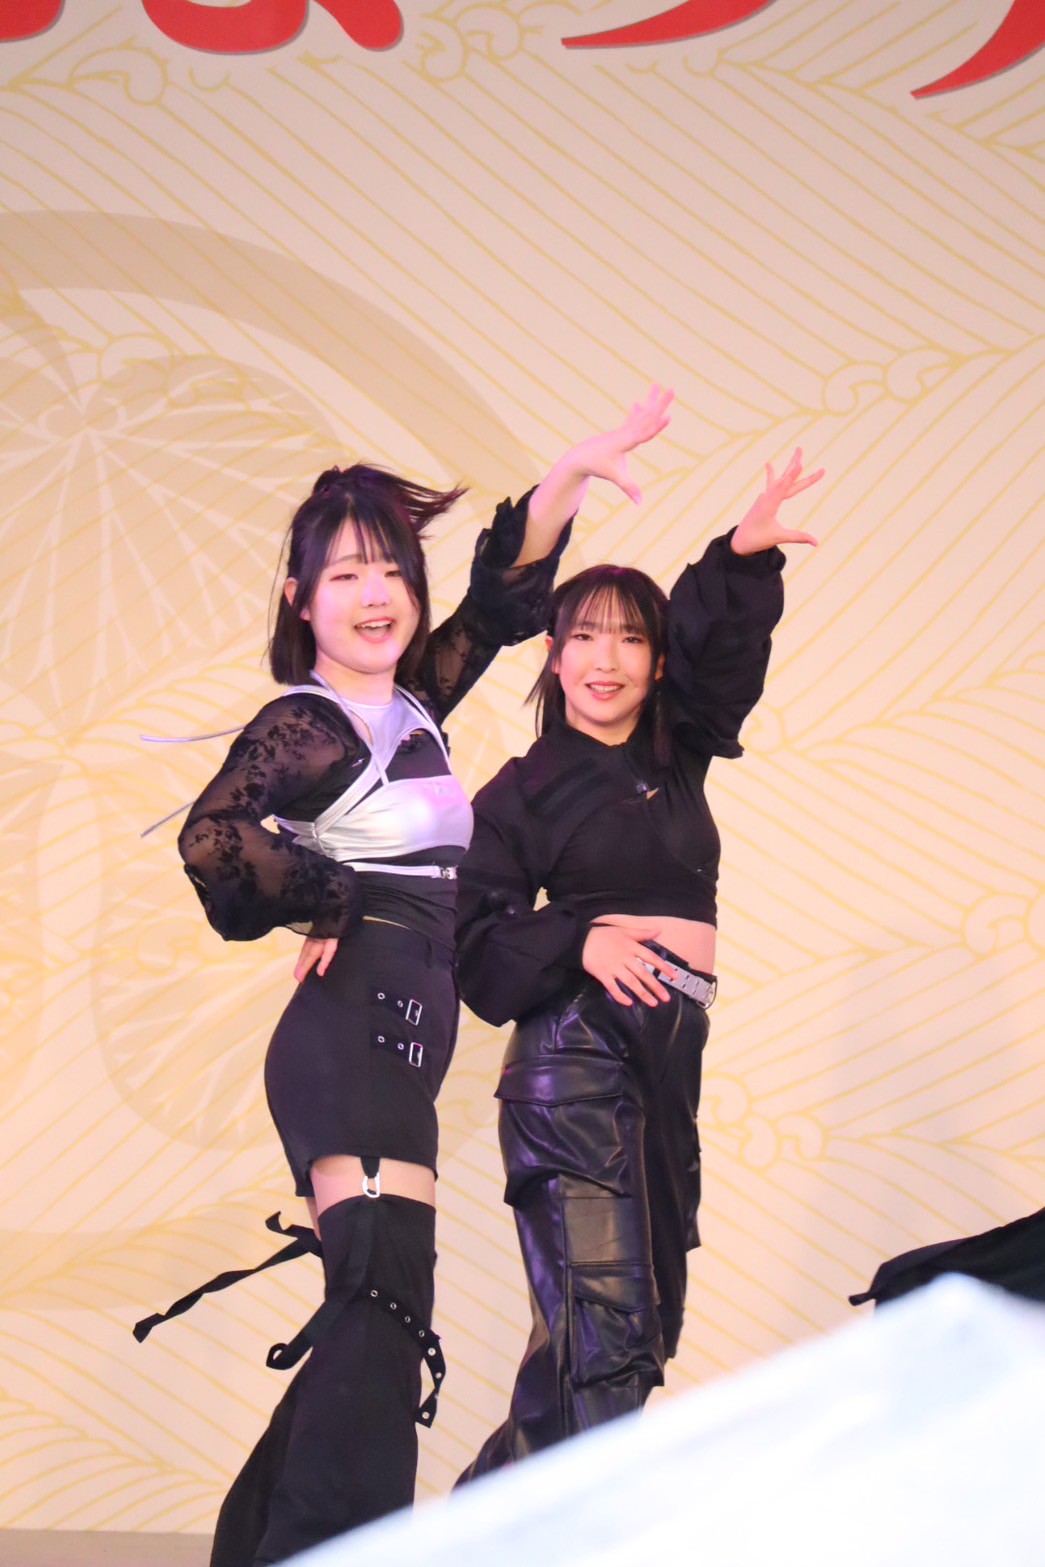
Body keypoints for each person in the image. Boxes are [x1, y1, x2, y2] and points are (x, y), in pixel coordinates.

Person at [167, 388, 673, 1567]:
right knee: (381, 1310)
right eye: (345, 573)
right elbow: (211, 838)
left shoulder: (408, 706)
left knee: (374, 1309)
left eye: (392, 569)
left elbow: (500, 606)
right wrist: (326, 889)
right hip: (344, 1037)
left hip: (400, 1046)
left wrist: (569, 475)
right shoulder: (305, 724)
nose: (375, 592)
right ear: (299, 597)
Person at [454, 446, 824, 1478]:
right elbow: (471, 938)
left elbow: (720, 656)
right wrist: (577, 936)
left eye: (629, 637)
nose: (604, 658)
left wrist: (742, 554)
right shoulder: (523, 788)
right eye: (582, 636)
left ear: (658, 662)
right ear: (553, 657)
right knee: (603, 1340)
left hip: (664, 1062)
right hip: (573, 1067)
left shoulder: (676, 755)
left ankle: (482, 1534)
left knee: (631, 1338)